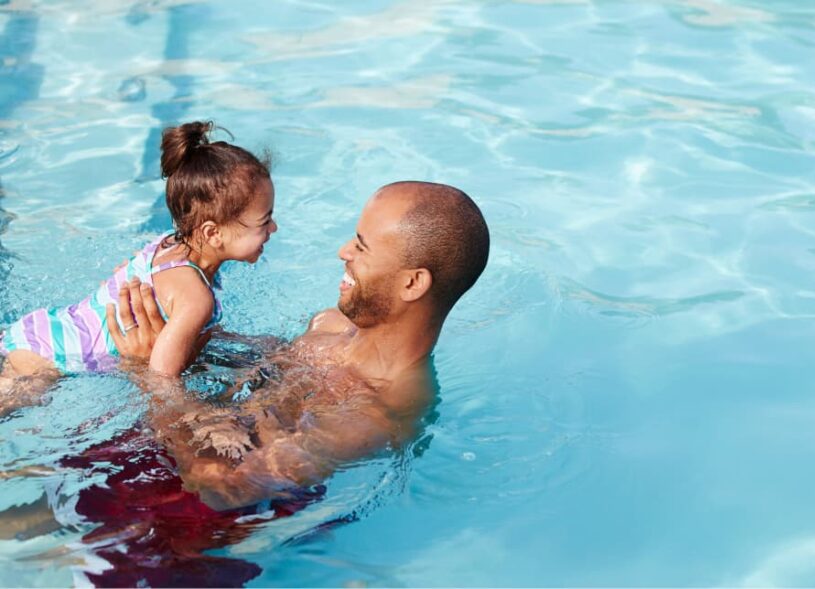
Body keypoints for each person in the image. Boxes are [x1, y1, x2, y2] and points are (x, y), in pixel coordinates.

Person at [0, 181, 488, 587]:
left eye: (360, 245)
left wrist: (147, 373)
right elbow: (244, 365)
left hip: (187, 531)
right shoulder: (331, 325)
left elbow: (223, 489)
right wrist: (174, 327)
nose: (343, 252)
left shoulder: (381, 411)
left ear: (412, 283)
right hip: (165, 444)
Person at [0, 121, 277, 414]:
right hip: (49, 357)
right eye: (264, 221)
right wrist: (206, 419)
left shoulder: (169, 245)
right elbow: (160, 379)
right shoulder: (196, 299)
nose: (273, 227)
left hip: (48, 327)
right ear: (212, 234)